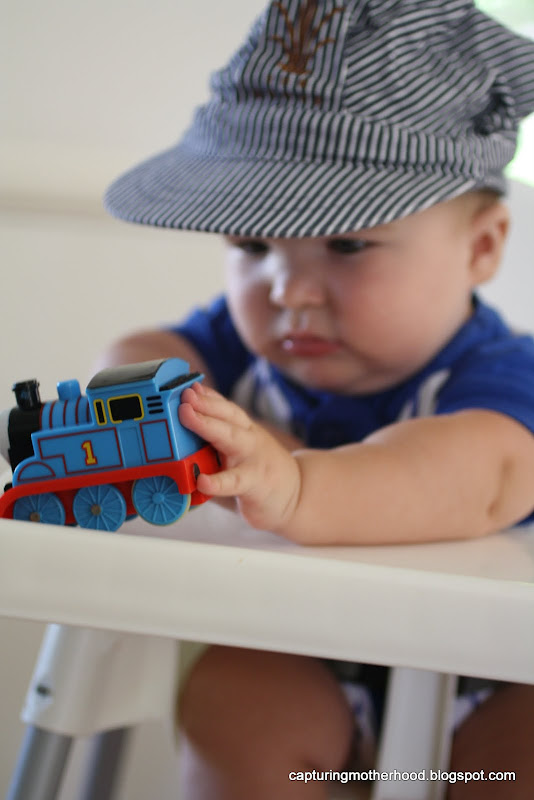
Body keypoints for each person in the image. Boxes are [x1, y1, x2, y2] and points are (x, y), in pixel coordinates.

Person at [101, 1, 534, 797]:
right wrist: (175, 408)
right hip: (302, 655)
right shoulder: (249, 348)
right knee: (235, 699)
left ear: (481, 248)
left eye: (347, 243)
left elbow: (480, 478)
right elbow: (135, 354)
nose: (289, 290)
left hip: (495, 682)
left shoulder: (503, 377)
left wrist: (297, 483)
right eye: (252, 243)